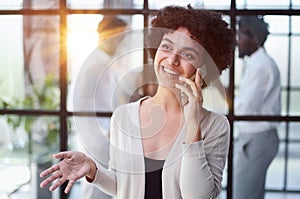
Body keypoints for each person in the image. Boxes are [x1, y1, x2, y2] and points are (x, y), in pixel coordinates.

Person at [40, 5, 235, 199]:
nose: (172, 59)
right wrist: (93, 170)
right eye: (166, 46)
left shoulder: (215, 126)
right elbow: (122, 185)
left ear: (205, 66)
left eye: (187, 54)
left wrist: (193, 124)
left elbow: (199, 196)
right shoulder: (123, 116)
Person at [70, 16, 142, 199]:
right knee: (96, 189)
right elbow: (83, 106)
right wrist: (108, 132)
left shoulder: (106, 62)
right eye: (121, 36)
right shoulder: (94, 65)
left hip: (104, 138)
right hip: (99, 141)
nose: (124, 41)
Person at [233, 16, 281, 199]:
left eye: (240, 36)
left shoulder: (261, 66)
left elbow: (244, 109)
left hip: (256, 140)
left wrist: (229, 100)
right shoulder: (256, 64)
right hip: (256, 139)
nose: (237, 42)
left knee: (240, 195)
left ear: (254, 39)